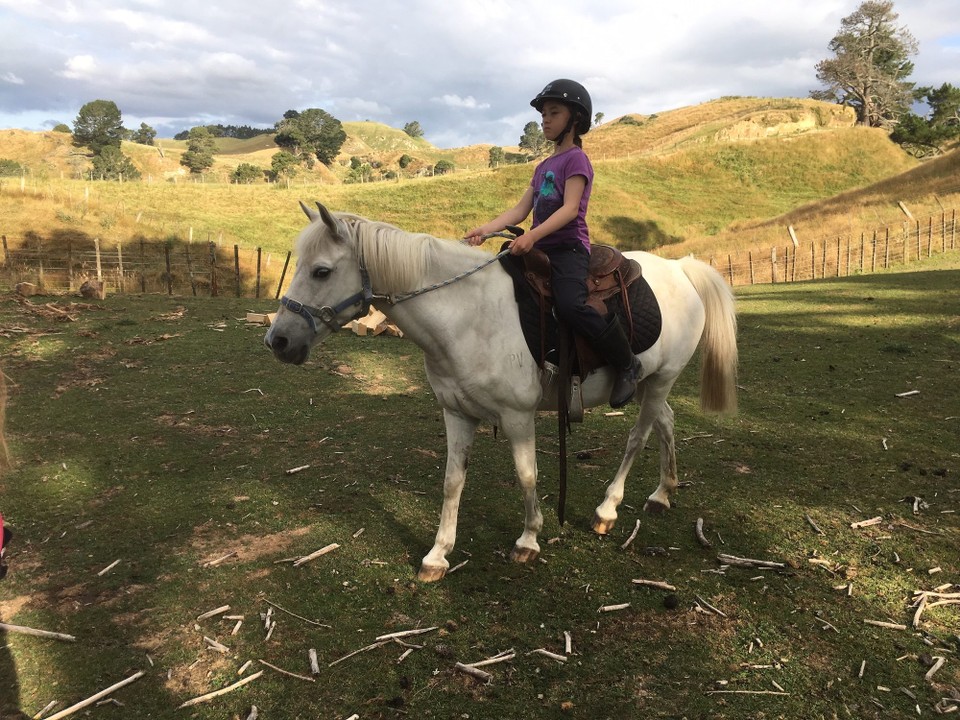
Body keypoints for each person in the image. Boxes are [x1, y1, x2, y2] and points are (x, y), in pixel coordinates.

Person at [465, 79, 641, 408]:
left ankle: (627, 363)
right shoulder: (542, 167)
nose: (545, 119)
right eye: (544, 113)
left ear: (574, 119)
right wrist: (486, 230)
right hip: (541, 249)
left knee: (572, 304)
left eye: (553, 112)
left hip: (569, 249)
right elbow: (520, 211)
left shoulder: (576, 160)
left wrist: (532, 235)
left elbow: (570, 208)